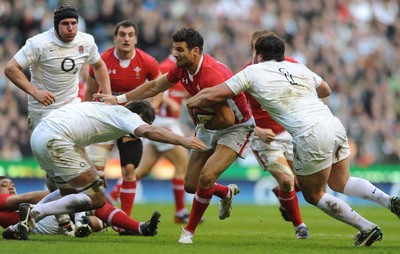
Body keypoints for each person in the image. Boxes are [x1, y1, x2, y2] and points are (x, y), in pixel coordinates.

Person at [186, 32, 400, 247]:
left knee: (314, 194)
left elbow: (215, 95)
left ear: (258, 55)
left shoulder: (252, 71)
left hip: (309, 134)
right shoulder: (297, 67)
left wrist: (192, 102)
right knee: (341, 182)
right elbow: (325, 89)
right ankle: (389, 201)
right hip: (333, 124)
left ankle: (367, 227)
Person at [93, 27, 255, 244]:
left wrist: (198, 115)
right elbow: (154, 87)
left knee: (206, 177)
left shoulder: (211, 75)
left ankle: (188, 231)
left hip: (236, 126)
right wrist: (120, 99)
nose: (175, 54)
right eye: (174, 49)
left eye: (180, 50)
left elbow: (227, 120)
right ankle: (225, 193)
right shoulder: (182, 68)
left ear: (195, 51)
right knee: (190, 184)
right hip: (209, 124)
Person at [5, 100, 206, 240]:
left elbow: (79, 135)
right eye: (143, 121)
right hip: (58, 140)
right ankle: (34, 212)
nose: (138, 134)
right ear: (140, 116)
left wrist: (90, 171)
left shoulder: (103, 109)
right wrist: (183, 140)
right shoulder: (126, 115)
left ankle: (18, 227)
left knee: (70, 194)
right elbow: (148, 130)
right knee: (98, 199)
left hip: (40, 137)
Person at [3, 3, 112, 230]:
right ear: (56, 25)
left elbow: (99, 65)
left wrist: (108, 95)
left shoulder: (86, 41)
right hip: (43, 112)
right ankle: (65, 216)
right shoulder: (38, 43)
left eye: (73, 23)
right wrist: (35, 91)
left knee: (75, 161)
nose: (71, 28)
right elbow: (11, 68)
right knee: (55, 172)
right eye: (65, 24)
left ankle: (80, 219)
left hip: (71, 107)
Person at [84, 20, 162, 217]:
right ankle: (93, 216)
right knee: (95, 171)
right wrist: (85, 116)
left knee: (128, 169)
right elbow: (90, 91)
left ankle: (124, 219)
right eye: (122, 35)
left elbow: (159, 85)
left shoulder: (148, 62)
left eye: (130, 35)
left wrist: (153, 108)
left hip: (130, 121)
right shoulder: (102, 60)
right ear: (115, 38)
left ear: (136, 38)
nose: (126, 38)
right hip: (105, 118)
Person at [244, 30, 308, 239]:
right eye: (256, 50)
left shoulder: (290, 64)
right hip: (265, 137)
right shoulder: (247, 74)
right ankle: (300, 227)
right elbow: (236, 111)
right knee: (288, 181)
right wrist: (256, 130)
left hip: (290, 132)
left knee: (306, 183)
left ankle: (282, 193)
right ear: (253, 51)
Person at [133, 53, 193, 223]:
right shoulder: (167, 67)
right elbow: (154, 87)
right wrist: (167, 102)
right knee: (182, 165)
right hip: (164, 122)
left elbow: (182, 92)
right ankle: (181, 211)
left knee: (141, 171)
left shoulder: (184, 68)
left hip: (165, 122)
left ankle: (112, 196)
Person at [0, 176, 161, 238]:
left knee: (94, 210)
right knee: (85, 197)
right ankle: (136, 227)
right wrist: (62, 193)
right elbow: (26, 198)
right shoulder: (4, 200)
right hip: (42, 223)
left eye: (12, 183)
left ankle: (137, 228)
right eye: (5, 185)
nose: (11, 186)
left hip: (45, 222)